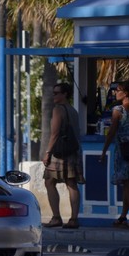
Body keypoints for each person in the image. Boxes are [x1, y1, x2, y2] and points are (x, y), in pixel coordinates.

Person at [100, 81, 129, 229]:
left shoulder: (118, 110)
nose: (115, 93)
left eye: (118, 90)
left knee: (127, 184)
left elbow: (112, 133)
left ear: (125, 93)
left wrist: (103, 151)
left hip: (123, 152)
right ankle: (123, 216)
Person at [42, 82, 85, 229]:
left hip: (60, 152)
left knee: (49, 182)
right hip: (73, 150)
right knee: (72, 184)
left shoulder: (58, 110)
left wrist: (48, 152)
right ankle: (74, 219)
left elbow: (54, 133)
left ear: (65, 94)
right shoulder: (72, 110)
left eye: (57, 93)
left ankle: (56, 217)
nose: (54, 95)